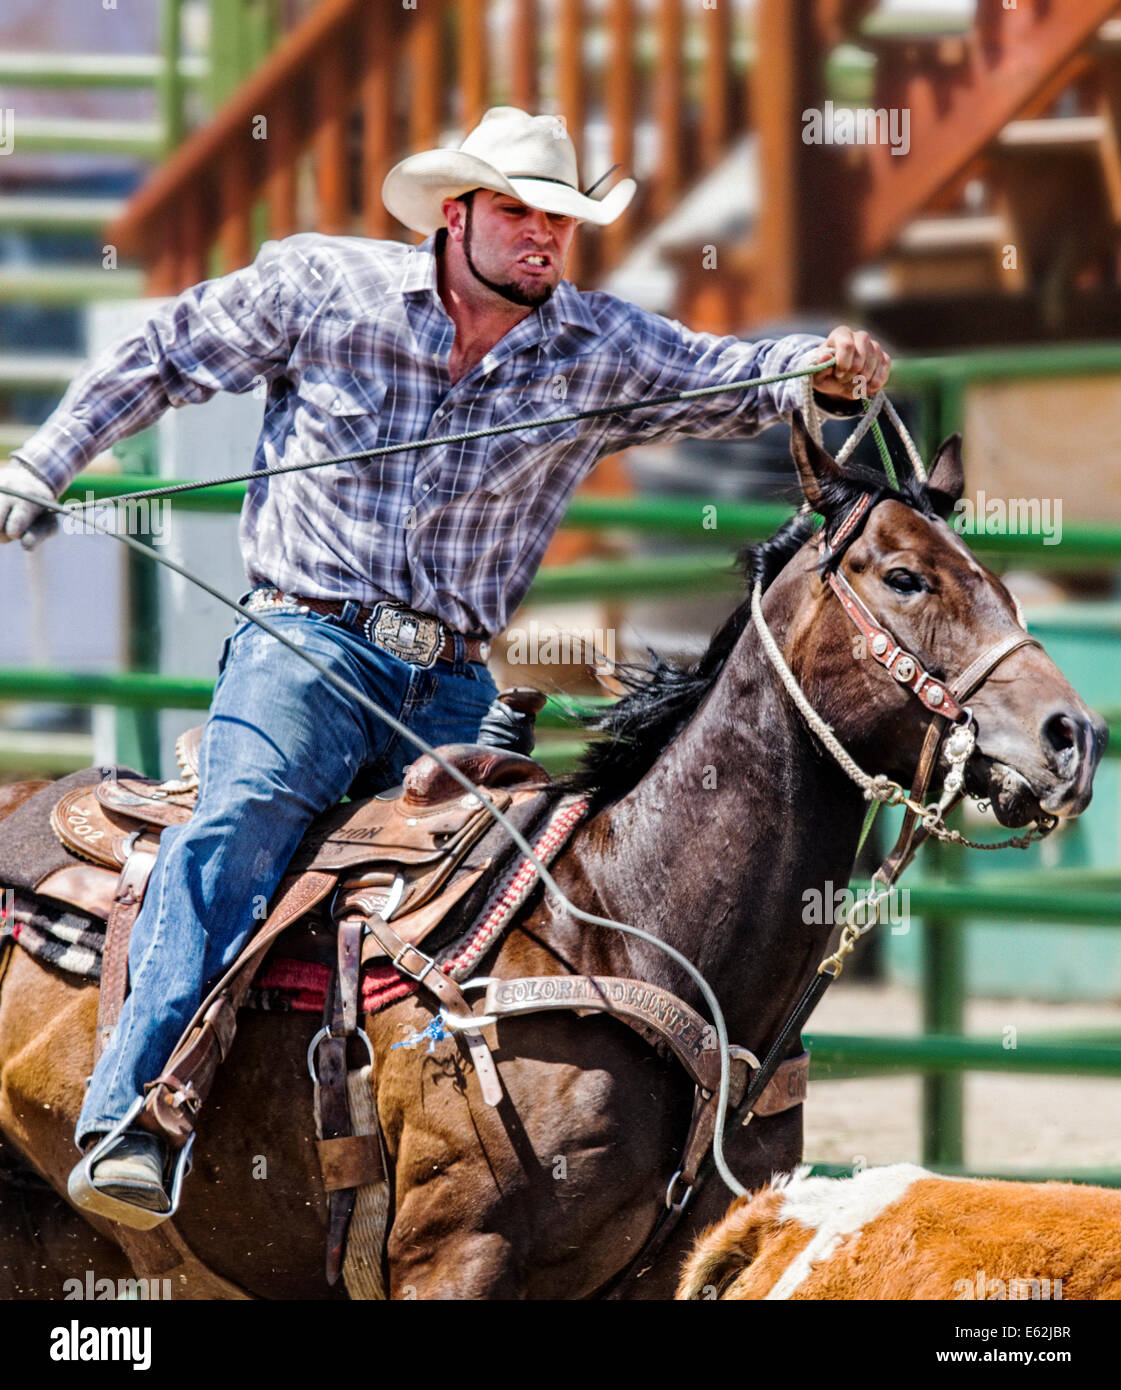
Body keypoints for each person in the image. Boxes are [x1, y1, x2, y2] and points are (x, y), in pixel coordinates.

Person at [0, 107, 890, 1223]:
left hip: (454, 684)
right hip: (302, 642)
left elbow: (740, 377)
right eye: (517, 210)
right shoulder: (323, 288)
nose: (542, 237)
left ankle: (426, 1170)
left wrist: (825, 370)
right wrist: (44, 464)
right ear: (456, 213)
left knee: (506, 912)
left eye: (558, 219)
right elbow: (163, 355)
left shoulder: (598, 349)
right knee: (240, 822)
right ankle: (137, 1111)